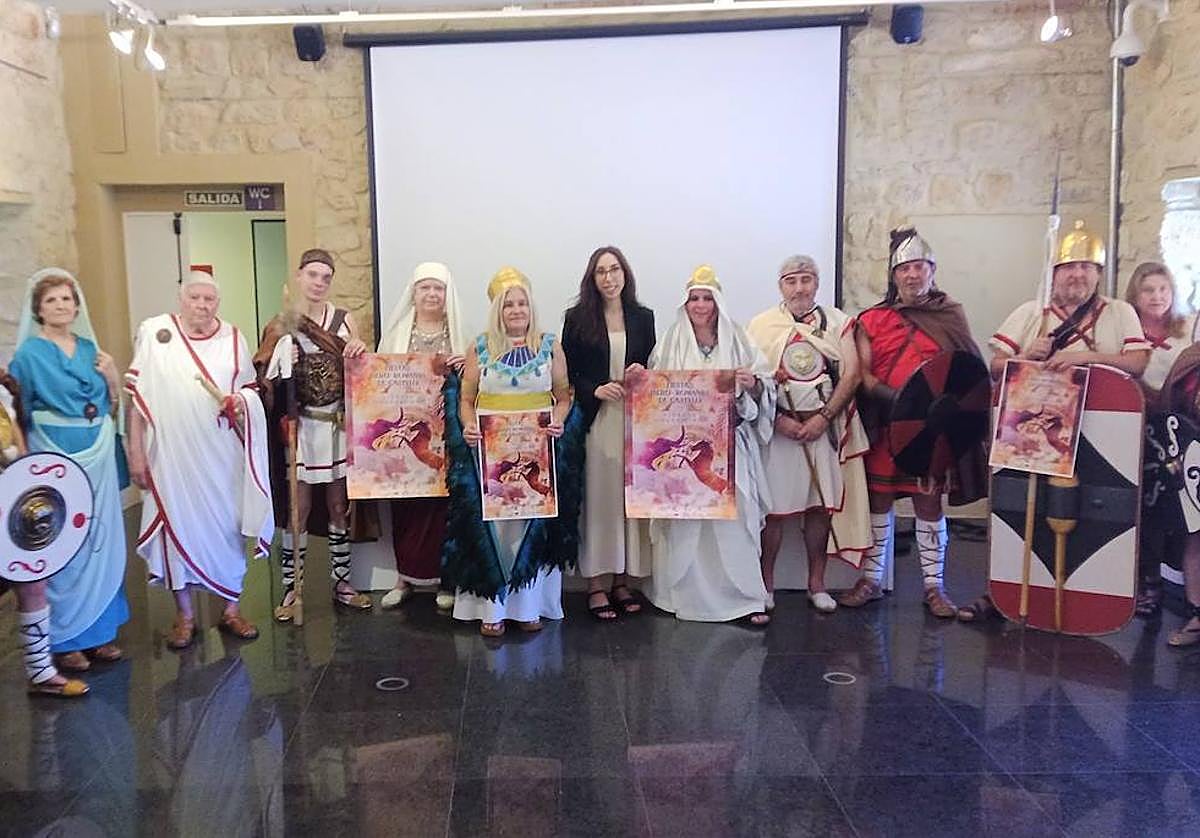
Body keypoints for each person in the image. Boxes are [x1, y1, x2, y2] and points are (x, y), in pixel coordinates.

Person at [958, 220, 1150, 621]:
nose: (1076, 275)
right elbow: (995, 367)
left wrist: (1081, 358)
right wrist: (1027, 353)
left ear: (1097, 273)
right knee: (1020, 512)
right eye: (1068, 267)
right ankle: (1007, 594)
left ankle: (1084, 601)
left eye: (1085, 267)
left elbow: (1137, 362)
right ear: (1054, 274)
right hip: (1034, 436)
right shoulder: (1032, 313)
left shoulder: (1119, 313)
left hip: (1100, 440)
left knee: (1094, 516)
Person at [124, 269, 274, 650]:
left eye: (209, 300)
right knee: (176, 529)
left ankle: (231, 609)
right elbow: (137, 400)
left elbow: (249, 391)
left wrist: (240, 402)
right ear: (182, 299)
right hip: (171, 455)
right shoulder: (158, 335)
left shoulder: (234, 338)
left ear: (217, 304)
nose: (202, 306)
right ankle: (185, 616)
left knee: (228, 527)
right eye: (195, 298)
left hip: (221, 455)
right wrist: (136, 452)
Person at [842, 229, 987, 618]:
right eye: (903, 268)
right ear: (893, 275)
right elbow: (865, 376)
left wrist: (933, 411)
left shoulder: (950, 315)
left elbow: (966, 374)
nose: (911, 275)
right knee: (879, 500)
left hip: (932, 431)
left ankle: (934, 587)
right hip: (887, 424)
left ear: (931, 270)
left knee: (928, 501)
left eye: (918, 266)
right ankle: (871, 579)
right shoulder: (870, 319)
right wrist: (901, 403)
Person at [444, 267, 584, 637]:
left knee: (529, 524)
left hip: (537, 450)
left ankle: (528, 605)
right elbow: (467, 398)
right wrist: (469, 425)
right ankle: (493, 606)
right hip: (491, 452)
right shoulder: (480, 347)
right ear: (498, 310)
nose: (517, 310)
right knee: (495, 527)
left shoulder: (550, 344)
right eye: (509, 305)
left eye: (522, 303)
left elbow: (564, 395)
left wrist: (558, 419)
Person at [10, 269, 129, 674]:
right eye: (52, 301)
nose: (61, 306)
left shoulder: (91, 349)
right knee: (63, 538)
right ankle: (65, 640)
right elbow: (19, 411)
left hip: (96, 444)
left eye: (67, 299)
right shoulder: (28, 355)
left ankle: (98, 632)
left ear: (76, 306)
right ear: (39, 310)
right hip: (54, 452)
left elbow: (111, 402)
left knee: (100, 535)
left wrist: (113, 378)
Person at [644, 265, 773, 626]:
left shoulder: (738, 339)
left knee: (735, 520)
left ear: (717, 302)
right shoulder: (670, 340)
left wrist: (752, 385)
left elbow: (765, 387)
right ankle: (681, 597)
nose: (700, 305)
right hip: (687, 453)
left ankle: (742, 599)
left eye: (707, 298)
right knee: (687, 520)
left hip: (728, 447)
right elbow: (655, 393)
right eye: (694, 298)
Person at [747, 255, 871, 614]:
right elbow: (754, 379)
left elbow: (852, 374)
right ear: (780, 286)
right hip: (780, 429)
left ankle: (816, 584)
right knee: (774, 512)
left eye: (806, 280)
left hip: (824, 428)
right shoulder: (760, 326)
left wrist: (823, 417)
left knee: (819, 509)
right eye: (791, 281)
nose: (799, 287)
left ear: (816, 283)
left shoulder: (838, 323)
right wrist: (778, 420)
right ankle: (765, 584)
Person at [254, 248, 371, 621]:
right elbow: (263, 379)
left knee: (339, 505)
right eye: (312, 275)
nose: (319, 282)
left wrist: (359, 349)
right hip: (301, 427)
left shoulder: (343, 320)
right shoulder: (282, 323)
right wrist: (277, 371)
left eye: (325, 276)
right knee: (298, 508)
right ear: (300, 276)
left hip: (336, 425)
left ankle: (342, 582)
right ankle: (293, 587)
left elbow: (362, 371)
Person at [562, 246, 656, 620]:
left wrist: (640, 374)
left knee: (627, 503)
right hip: (597, 419)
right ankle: (596, 585)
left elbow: (654, 366)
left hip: (634, 419)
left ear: (625, 274)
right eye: (601, 271)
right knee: (600, 502)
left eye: (614, 269)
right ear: (592, 278)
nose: (609, 277)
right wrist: (595, 390)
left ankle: (623, 581)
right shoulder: (577, 317)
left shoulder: (643, 317)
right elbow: (568, 373)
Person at [376, 262, 467, 612]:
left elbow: (472, 383)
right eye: (425, 288)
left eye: (438, 289)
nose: (431, 294)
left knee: (444, 507)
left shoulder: (458, 334)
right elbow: (381, 382)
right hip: (407, 436)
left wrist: (463, 366)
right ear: (413, 293)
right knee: (406, 505)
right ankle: (404, 579)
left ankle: (447, 579)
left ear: (447, 296)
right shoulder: (397, 333)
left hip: (445, 436)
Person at [0, 370, 89, 697]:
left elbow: (18, 449)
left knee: (33, 580)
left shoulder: (3, 388)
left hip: (9, 501)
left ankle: (41, 672)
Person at [1125, 261, 1196, 617]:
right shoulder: (1128, 335)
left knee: (1185, 511)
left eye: (1163, 289)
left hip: (1183, 430)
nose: (1156, 297)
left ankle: (1188, 587)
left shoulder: (1190, 329)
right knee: (1146, 508)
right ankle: (1147, 582)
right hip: (1140, 430)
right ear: (1135, 296)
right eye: (1148, 290)